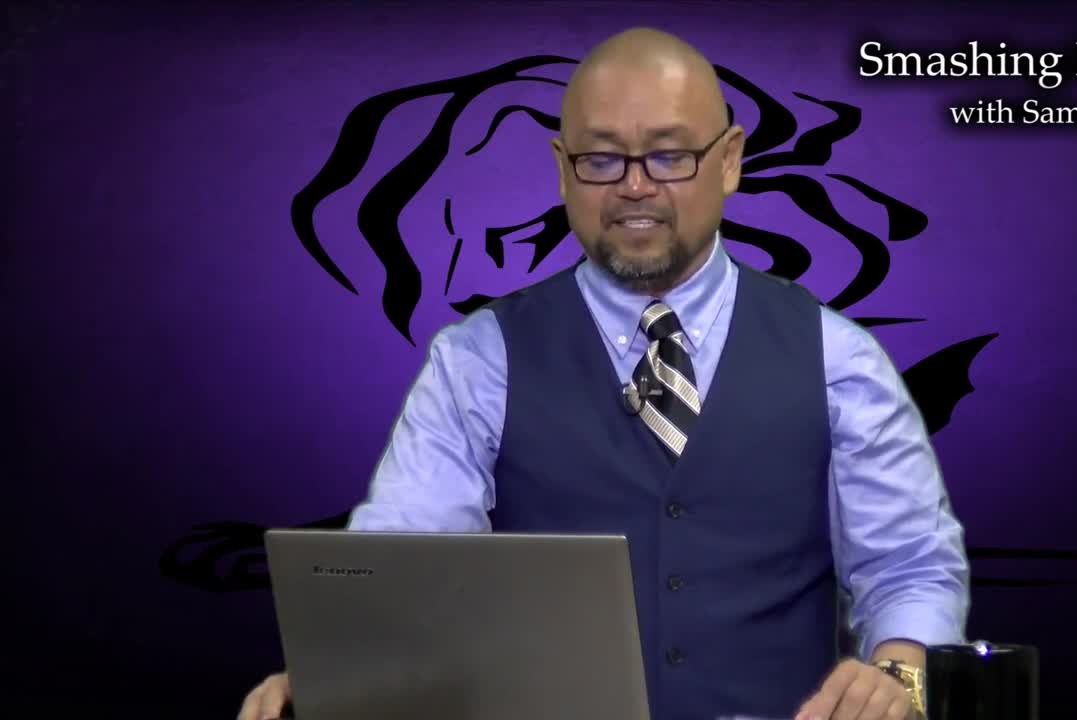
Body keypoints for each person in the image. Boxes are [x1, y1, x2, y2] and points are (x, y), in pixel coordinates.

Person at [240, 27, 969, 720]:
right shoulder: (476, 359)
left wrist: (896, 676)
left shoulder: (838, 357)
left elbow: (909, 567)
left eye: (669, 156)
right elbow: (401, 567)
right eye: (601, 159)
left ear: (729, 160)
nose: (635, 187)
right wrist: (340, 670)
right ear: (562, 169)